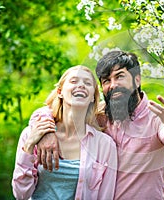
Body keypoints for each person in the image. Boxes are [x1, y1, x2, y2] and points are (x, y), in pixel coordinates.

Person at [30, 51, 164, 200]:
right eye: (106, 80)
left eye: (119, 76)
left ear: (137, 79)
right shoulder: (97, 114)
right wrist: (47, 132)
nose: (113, 85)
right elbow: (53, 110)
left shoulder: (156, 117)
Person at [12, 65, 117, 200]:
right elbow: (21, 194)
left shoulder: (105, 145)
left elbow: (106, 196)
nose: (81, 85)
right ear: (60, 92)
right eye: (74, 81)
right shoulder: (32, 134)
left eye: (87, 83)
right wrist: (28, 147)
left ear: (92, 97)